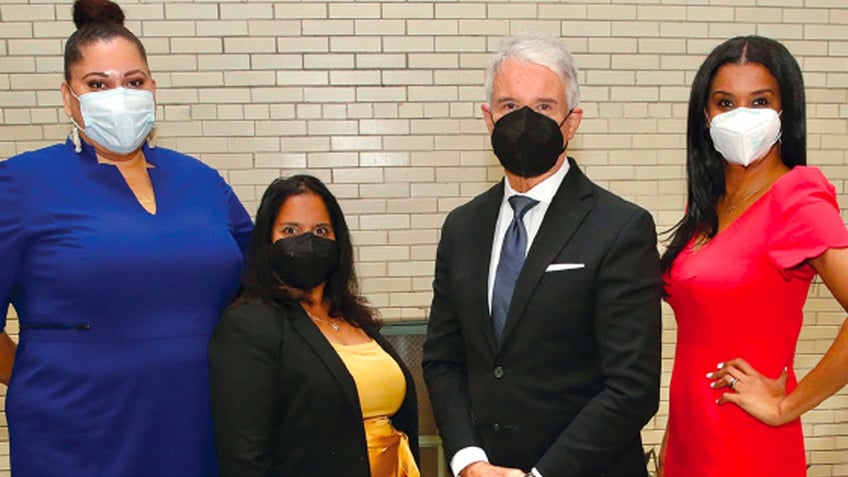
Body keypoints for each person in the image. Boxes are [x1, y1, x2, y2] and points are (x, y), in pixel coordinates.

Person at [0, 0, 253, 474]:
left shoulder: (202, 181)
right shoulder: (19, 183)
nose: (119, 94)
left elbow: (260, 287)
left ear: (153, 89)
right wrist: (34, 377)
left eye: (134, 82)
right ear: (68, 96)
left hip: (202, 417)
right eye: (98, 84)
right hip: (76, 426)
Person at [422, 36, 663, 477]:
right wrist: (468, 460)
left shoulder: (620, 227)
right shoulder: (462, 227)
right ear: (487, 118)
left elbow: (633, 387)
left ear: (571, 123)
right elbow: (443, 359)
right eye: (510, 107)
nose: (526, 121)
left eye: (544, 107)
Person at [660, 35, 848, 477]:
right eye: (725, 103)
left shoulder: (796, 199)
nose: (741, 115)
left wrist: (787, 405)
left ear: (785, 112)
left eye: (759, 101)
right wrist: (672, 435)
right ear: (705, 114)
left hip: (746, 443)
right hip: (690, 438)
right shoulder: (707, 208)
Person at [209, 174, 420, 477]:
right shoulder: (248, 326)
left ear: (338, 241)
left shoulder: (354, 318)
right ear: (268, 242)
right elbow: (244, 458)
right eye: (290, 230)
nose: (308, 242)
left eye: (321, 230)